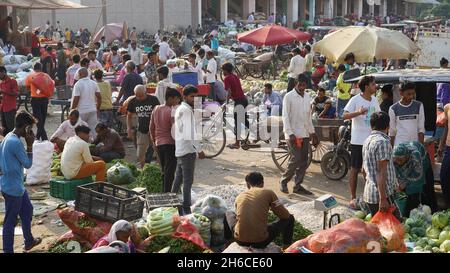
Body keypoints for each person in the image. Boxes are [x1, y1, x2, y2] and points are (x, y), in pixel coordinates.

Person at [0, 110, 42, 253]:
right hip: (13, 188)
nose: (30, 132)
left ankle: (29, 241)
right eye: (29, 128)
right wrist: (30, 145)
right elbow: (27, 164)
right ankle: (7, 250)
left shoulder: (7, 137)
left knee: (27, 210)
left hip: (11, 184)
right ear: (25, 127)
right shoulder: (15, 142)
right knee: (10, 222)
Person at [224, 172, 295, 249]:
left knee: (228, 213)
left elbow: (240, 217)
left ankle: (228, 243)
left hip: (239, 240)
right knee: (290, 218)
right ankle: (286, 247)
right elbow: (284, 215)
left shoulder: (240, 196)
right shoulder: (269, 193)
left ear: (247, 184)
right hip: (261, 242)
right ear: (262, 183)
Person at [343, 76, 381, 209]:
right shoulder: (355, 99)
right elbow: (344, 115)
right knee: (354, 168)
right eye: (373, 84)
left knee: (369, 169)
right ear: (366, 87)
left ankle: (369, 195)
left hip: (372, 140)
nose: (375, 86)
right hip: (358, 141)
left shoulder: (375, 100)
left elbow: (379, 116)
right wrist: (358, 112)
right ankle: (353, 197)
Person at [280, 74, 319, 195]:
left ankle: (297, 186)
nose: (302, 87)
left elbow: (308, 117)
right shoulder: (289, 96)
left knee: (304, 161)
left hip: (304, 133)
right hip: (293, 134)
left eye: (304, 85)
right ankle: (284, 181)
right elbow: (285, 116)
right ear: (295, 84)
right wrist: (290, 133)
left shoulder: (307, 96)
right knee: (295, 159)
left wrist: (312, 132)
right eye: (300, 85)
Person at [172, 85, 205, 214]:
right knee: (187, 182)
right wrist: (199, 149)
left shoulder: (182, 108)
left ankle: (171, 200)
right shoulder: (185, 110)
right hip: (187, 150)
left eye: (196, 96)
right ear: (184, 97)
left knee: (178, 179)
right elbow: (189, 133)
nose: (194, 99)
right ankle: (186, 208)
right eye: (192, 96)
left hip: (181, 149)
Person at [362, 112, 399, 217]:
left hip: (371, 193)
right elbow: (381, 172)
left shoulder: (367, 141)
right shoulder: (383, 142)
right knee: (389, 230)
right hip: (382, 196)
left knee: (378, 229)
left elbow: (363, 170)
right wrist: (383, 199)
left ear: (371, 125)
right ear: (388, 126)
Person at [393, 142, 438, 216]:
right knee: (406, 190)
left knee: (425, 188)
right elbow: (395, 172)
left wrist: (406, 183)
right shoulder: (394, 157)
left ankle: (432, 212)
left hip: (423, 163)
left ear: (407, 156)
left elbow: (417, 176)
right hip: (410, 164)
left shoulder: (415, 155)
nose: (398, 162)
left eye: (400, 160)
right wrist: (398, 183)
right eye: (396, 159)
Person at [150, 88, 181, 192]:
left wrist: (153, 141)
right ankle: (167, 192)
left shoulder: (156, 108)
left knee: (164, 169)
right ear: (171, 98)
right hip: (169, 144)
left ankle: (165, 190)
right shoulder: (171, 111)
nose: (178, 101)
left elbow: (151, 127)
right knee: (169, 171)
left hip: (159, 143)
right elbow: (174, 130)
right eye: (177, 99)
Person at [127, 85, 160, 168]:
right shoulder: (133, 101)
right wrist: (129, 128)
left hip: (154, 130)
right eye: (137, 96)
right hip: (142, 130)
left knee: (158, 151)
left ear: (146, 92)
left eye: (141, 96)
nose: (139, 98)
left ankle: (161, 170)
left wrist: (155, 128)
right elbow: (129, 115)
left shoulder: (153, 99)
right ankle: (143, 170)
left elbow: (158, 114)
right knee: (140, 154)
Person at [222, 63, 249, 150]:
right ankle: (254, 134)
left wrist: (226, 103)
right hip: (244, 100)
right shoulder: (235, 76)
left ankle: (237, 143)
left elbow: (229, 92)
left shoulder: (227, 78)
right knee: (244, 120)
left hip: (239, 102)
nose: (222, 72)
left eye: (223, 70)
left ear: (226, 70)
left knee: (237, 122)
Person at [389, 82, 425, 147]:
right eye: (408, 94)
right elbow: (392, 132)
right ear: (401, 93)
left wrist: (421, 147)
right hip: (400, 146)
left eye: (413, 94)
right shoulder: (393, 109)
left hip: (415, 146)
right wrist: (391, 149)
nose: (411, 96)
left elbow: (421, 129)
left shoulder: (419, 106)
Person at [25, 63, 55, 141]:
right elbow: (51, 84)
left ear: (34, 69)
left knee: (39, 121)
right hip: (45, 100)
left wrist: (35, 90)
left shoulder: (30, 76)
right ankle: (38, 139)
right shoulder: (47, 76)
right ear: (41, 68)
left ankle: (43, 140)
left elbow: (27, 87)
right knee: (42, 121)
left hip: (35, 100)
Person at [71, 68, 101, 139]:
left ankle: (81, 146)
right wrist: (97, 108)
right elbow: (99, 97)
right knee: (93, 130)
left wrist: (72, 110)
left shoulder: (78, 84)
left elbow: (76, 98)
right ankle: (95, 146)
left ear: (80, 74)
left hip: (81, 111)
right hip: (92, 110)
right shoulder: (93, 83)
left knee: (80, 130)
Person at [0, 66, 18, 135]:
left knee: (11, 128)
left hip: (10, 108)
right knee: (4, 128)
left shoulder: (12, 81)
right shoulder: (1, 83)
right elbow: (3, 95)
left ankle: (13, 143)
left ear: (3, 72)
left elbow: (15, 93)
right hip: (3, 108)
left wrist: (4, 92)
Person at [439, 102, 450, 207]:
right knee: (444, 175)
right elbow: (446, 127)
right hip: (449, 148)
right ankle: (447, 204)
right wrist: (441, 145)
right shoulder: (447, 107)